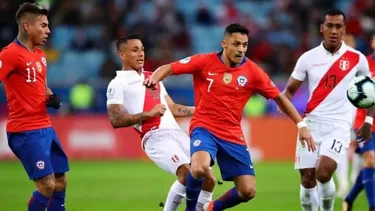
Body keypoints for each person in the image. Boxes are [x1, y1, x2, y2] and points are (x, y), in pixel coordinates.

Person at [144, 23, 315, 211]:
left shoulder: (253, 72)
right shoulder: (204, 62)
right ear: (224, 44)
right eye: (236, 44)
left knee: (247, 191)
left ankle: (210, 209)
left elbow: (279, 98)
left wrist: (301, 125)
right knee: (199, 168)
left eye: (244, 45)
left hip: (232, 133)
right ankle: (190, 209)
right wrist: (154, 79)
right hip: (204, 128)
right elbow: (168, 68)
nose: (241, 49)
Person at [106, 34, 216, 211]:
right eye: (135, 50)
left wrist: (203, 110)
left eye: (142, 49)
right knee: (187, 175)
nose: (141, 54)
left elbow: (172, 108)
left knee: (209, 179)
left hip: (177, 133)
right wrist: (148, 114)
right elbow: (115, 119)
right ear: (122, 55)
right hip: (154, 136)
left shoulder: (152, 77)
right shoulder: (117, 83)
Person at [280, 9, 374, 211]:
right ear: (322, 29)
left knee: (323, 172)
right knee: (307, 181)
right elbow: (289, 90)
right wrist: (284, 102)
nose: (333, 30)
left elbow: (370, 92)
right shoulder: (308, 58)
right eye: (329, 25)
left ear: (344, 29)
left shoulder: (357, 59)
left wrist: (368, 122)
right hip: (311, 124)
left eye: (338, 26)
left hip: (339, 125)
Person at [0, 3, 67, 211]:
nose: (48, 31)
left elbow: (41, 87)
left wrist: (50, 97)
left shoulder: (40, 56)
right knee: (46, 184)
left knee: (60, 180)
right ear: (27, 26)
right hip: (25, 130)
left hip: (45, 127)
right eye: (43, 25)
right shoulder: (9, 54)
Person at [343, 32, 375, 211]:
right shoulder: (363, 64)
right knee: (370, 160)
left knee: (371, 164)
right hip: (364, 121)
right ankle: (372, 206)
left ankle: (349, 198)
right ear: (372, 42)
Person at [334, 33, 357, 198]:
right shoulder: (334, 66)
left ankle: (353, 179)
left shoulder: (359, 64)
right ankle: (343, 183)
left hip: (356, 111)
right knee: (340, 149)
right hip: (339, 113)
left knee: (357, 147)